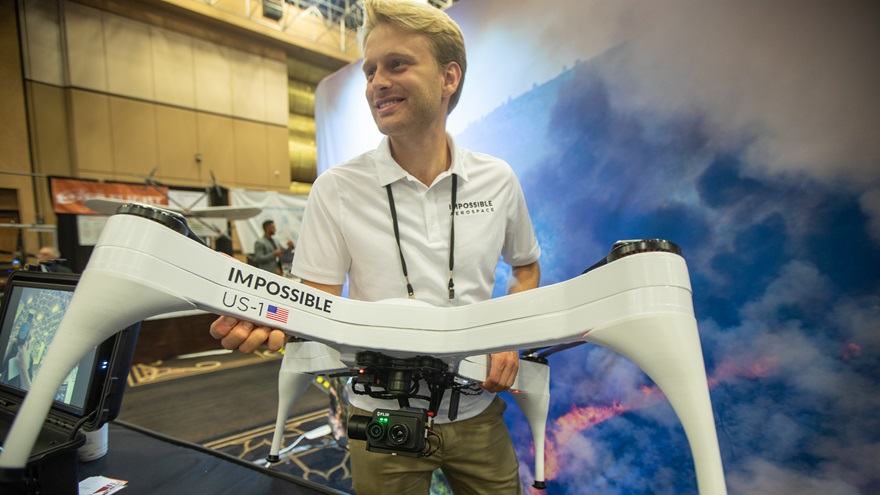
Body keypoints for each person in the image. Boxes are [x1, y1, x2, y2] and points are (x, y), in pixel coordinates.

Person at [210, 1, 540, 493]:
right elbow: (314, 306)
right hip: (382, 424)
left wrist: (509, 335)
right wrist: (269, 317)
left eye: (397, 64)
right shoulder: (337, 188)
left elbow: (526, 268)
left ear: (449, 77)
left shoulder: (497, 179)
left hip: (477, 414)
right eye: (370, 70)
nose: (375, 83)